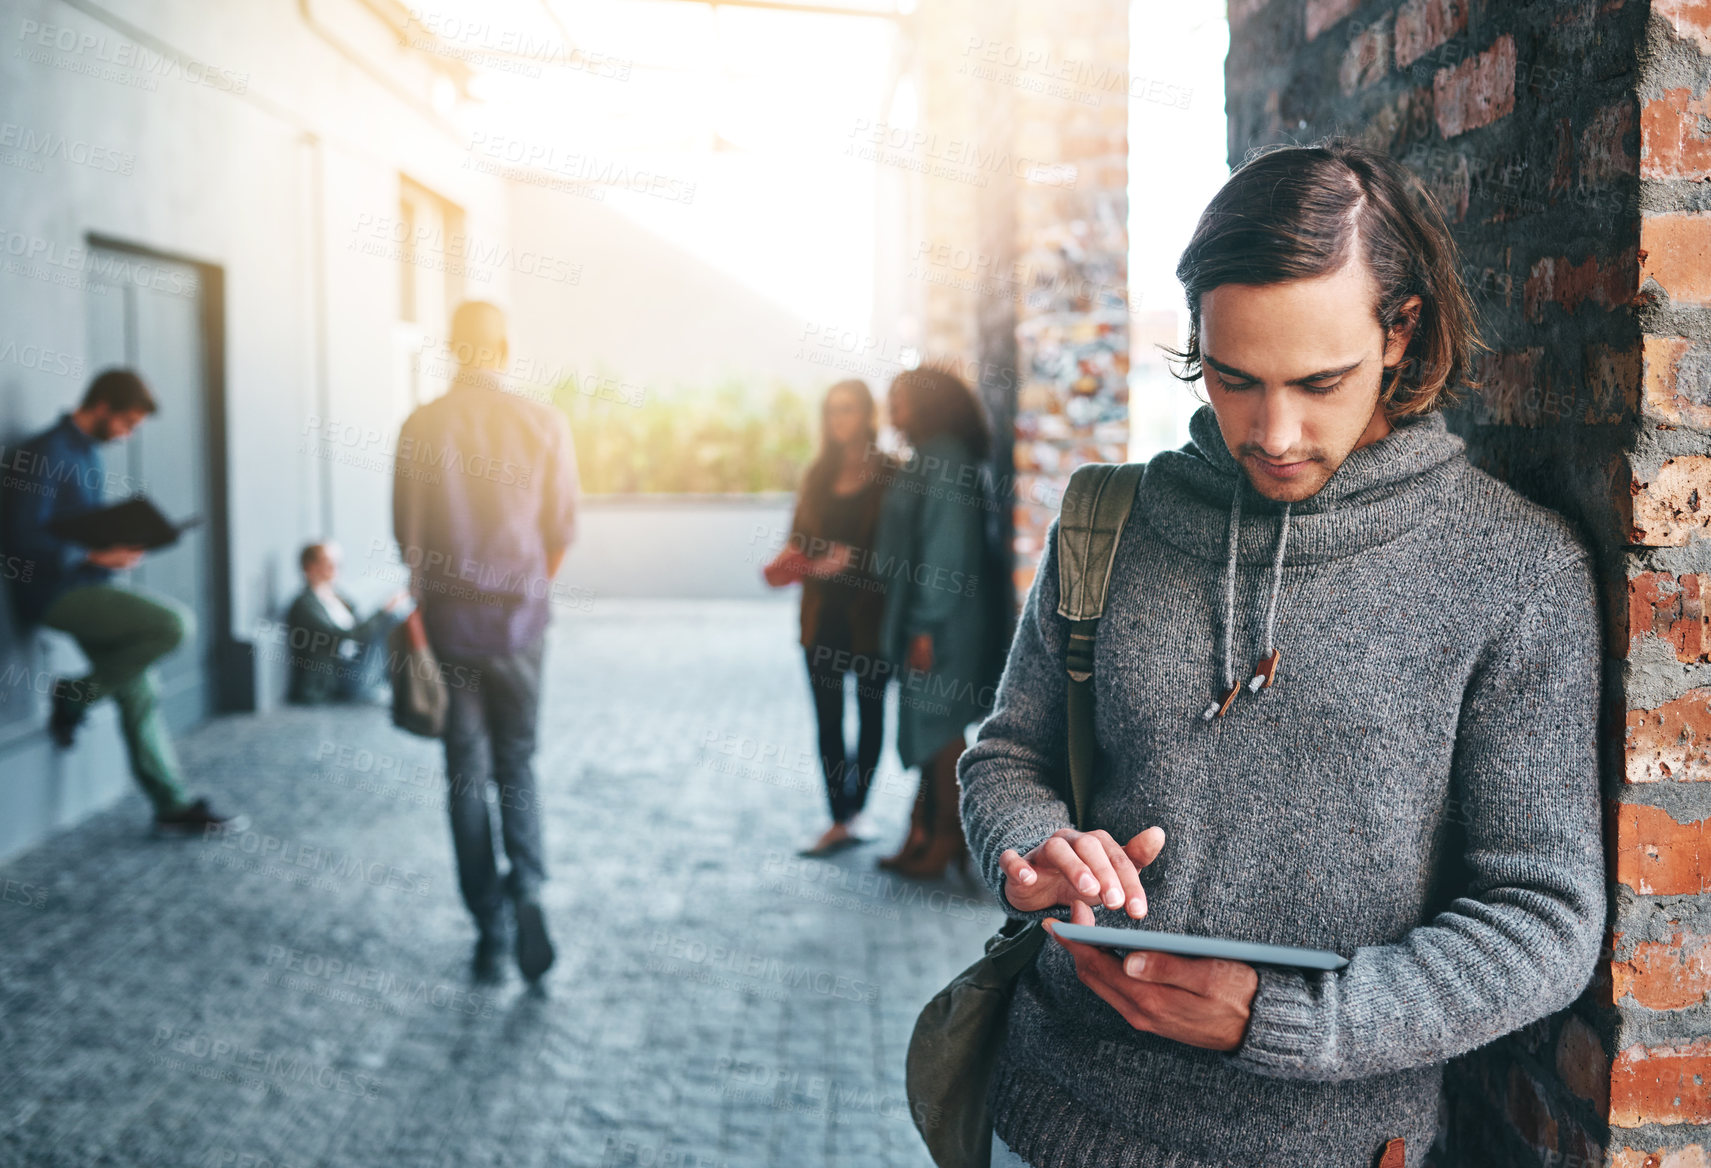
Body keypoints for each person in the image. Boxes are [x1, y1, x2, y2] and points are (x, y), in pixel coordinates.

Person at [962, 139, 1606, 1168]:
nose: (1274, 430)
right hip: (1051, 1117)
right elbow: (1006, 755)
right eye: (1233, 377)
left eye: (1319, 380)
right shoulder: (1106, 522)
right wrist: (1034, 847)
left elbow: (1544, 916)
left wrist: (1286, 1020)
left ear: (1400, 331)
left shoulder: (1515, 572)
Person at [393, 300, 578, 986]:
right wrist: (525, 590)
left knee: (465, 775)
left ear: (451, 347)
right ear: (502, 347)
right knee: (517, 764)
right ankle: (527, 887)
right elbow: (559, 533)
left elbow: (405, 537)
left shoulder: (421, 424)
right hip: (521, 626)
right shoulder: (542, 422)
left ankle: (490, 927)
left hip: (450, 627)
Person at [0, 369, 245, 834]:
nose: (129, 434)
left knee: (141, 689)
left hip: (93, 584)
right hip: (54, 593)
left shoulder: (88, 453)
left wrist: (119, 546)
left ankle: (172, 805)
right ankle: (73, 695)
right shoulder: (46, 452)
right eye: (127, 423)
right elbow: (20, 540)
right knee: (173, 625)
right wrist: (93, 553)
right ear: (102, 406)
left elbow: (79, 523)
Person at [871, 366, 1000, 880]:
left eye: (900, 399)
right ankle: (921, 831)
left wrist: (924, 625)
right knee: (931, 728)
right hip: (934, 619)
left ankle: (950, 836)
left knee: (940, 729)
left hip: (942, 623)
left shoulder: (945, 457)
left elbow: (945, 553)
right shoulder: (933, 454)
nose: (892, 408)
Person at [763, 380, 893, 858]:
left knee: (873, 716)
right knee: (828, 720)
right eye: (832, 410)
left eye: (849, 409)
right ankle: (839, 817)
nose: (840, 419)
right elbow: (798, 538)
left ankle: (857, 810)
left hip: (872, 618)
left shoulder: (890, 474)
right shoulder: (817, 474)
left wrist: (855, 562)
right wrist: (803, 564)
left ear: (867, 414)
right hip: (822, 617)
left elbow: (897, 548)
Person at [283, 541, 409, 705]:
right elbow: (348, 635)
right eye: (328, 562)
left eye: (337, 563)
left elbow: (360, 624)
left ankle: (398, 683)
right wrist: (383, 611)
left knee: (398, 615)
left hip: (358, 663)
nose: (335, 567)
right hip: (337, 678)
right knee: (391, 617)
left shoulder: (338, 597)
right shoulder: (305, 604)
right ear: (310, 567)